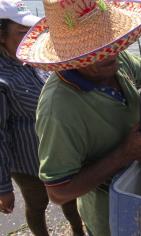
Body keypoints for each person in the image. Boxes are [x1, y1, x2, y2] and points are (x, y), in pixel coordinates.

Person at [16, 0, 141, 235]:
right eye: (96, 50)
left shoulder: (115, 59)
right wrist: (125, 153)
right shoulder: (59, 108)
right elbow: (58, 192)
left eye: (112, 42)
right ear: (71, 57)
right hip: (108, 212)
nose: (111, 53)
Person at [0, 1, 84, 235]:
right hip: (28, 162)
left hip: (62, 152)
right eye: (21, 33)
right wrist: (3, 187)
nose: (30, 37)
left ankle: (78, 230)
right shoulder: (2, 78)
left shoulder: (35, 58)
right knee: (37, 205)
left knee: (71, 199)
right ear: (1, 36)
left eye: (30, 31)